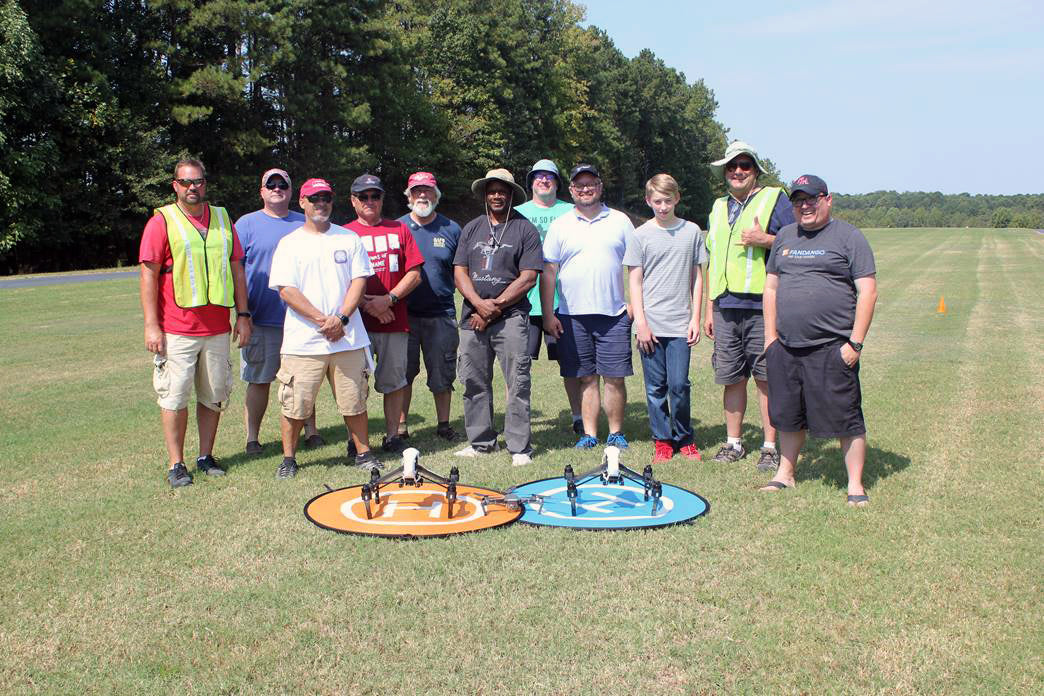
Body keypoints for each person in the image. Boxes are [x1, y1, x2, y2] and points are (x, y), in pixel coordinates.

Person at [760, 175, 878, 507]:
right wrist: (770, 339)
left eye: (811, 199)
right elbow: (771, 288)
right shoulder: (785, 236)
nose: (804, 206)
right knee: (787, 415)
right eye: (798, 201)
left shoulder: (849, 237)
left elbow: (868, 291)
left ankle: (855, 484)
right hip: (786, 347)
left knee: (846, 417)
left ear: (828, 200)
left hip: (832, 347)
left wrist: (855, 344)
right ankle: (785, 474)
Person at [139, 158, 252, 488]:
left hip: (216, 328)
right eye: (186, 182)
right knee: (174, 398)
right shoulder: (162, 221)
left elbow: (237, 270)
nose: (193, 187)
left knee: (214, 395)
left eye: (198, 181)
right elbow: (148, 276)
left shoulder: (222, 218)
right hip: (176, 329)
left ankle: (206, 456)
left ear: (205, 184)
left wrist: (243, 316)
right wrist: (151, 325)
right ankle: (176, 464)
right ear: (175, 185)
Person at [268, 178, 378, 478]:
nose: (321, 203)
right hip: (304, 341)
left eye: (326, 198)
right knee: (295, 404)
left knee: (354, 400)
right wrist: (322, 320)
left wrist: (341, 319)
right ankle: (289, 459)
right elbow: (286, 290)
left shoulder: (348, 238)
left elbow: (359, 281)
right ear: (302, 202)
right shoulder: (289, 243)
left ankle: (364, 453)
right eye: (314, 198)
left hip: (348, 337)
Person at [703, 141, 795, 471]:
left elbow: (796, 241)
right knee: (731, 378)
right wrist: (709, 308)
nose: (738, 171)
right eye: (732, 166)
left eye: (745, 165)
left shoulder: (774, 198)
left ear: (755, 170)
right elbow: (713, 258)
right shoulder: (718, 206)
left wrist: (765, 240)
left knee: (767, 378)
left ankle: (769, 448)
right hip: (725, 306)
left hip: (762, 306)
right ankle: (734, 443)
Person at [453, 168, 543, 466]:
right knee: (473, 380)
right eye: (492, 191)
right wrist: (479, 304)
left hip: (511, 318)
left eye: (502, 191)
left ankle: (519, 447)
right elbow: (460, 272)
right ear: (485, 195)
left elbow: (528, 277)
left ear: (511, 195)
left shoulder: (525, 229)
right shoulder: (472, 228)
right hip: (473, 317)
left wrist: (494, 307)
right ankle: (481, 442)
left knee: (517, 382)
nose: (497, 196)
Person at [541, 164, 634, 449]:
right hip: (572, 316)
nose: (585, 189)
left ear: (600, 187)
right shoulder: (560, 225)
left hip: (613, 314)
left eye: (591, 183)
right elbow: (549, 272)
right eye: (579, 185)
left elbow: (636, 266)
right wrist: (548, 314)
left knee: (615, 378)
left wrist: (634, 303)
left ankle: (616, 432)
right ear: (571, 190)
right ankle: (590, 435)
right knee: (586, 377)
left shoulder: (620, 221)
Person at [235, 168, 323, 455]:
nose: (276, 188)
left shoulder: (304, 221)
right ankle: (252, 438)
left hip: (302, 319)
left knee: (304, 379)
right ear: (261, 191)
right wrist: (243, 314)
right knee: (259, 379)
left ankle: (311, 431)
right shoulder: (246, 225)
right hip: (261, 318)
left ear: (291, 191)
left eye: (282, 184)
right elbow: (236, 272)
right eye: (270, 184)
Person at [624, 174, 707, 463]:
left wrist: (696, 318)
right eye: (657, 201)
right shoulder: (640, 235)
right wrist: (641, 324)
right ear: (648, 200)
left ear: (677, 199)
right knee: (655, 387)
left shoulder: (691, 232)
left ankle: (684, 438)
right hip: (650, 325)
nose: (662, 207)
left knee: (679, 385)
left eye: (667, 201)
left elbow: (698, 278)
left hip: (680, 323)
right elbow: (635, 282)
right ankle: (662, 440)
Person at [344, 174, 424, 454]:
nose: (370, 201)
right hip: (356, 324)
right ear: (353, 201)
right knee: (355, 385)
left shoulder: (399, 229)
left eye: (375, 196)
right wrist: (370, 305)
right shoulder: (343, 234)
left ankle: (392, 436)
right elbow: (339, 280)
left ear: (382, 199)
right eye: (363, 196)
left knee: (394, 382)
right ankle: (356, 441)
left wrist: (388, 300)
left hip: (394, 321)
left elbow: (415, 273)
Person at [514, 159, 584, 434]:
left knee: (571, 364)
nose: (544, 180)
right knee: (518, 366)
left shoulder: (571, 211)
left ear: (557, 182)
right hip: (523, 302)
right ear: (531, 181)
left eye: (550, 176)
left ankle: (579, 417)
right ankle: (517, 419)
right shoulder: (517, 213)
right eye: (538, 176)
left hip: (564, 303)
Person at [396, 172, 462, 442]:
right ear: (409, 196)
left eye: (427, 191)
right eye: (416, 191)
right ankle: (400, 426)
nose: (422, 195)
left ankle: (444, 424)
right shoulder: (397, 227)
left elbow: (461, 271)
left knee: (442, 374)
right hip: (404, 315)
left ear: (436, 195)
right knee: (403, 373)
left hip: (441, 314)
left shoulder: (452, 229)